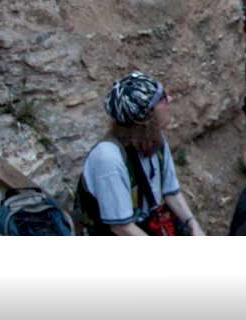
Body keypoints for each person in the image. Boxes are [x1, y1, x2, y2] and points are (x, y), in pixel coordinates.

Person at [75, 72, 206, 236]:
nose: (170, 99)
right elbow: (121, 228)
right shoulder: (108, 158)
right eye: (162, 98)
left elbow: (170, 191)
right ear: (148, 114)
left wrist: (193, 225)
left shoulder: (155, 138)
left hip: (144, 222)